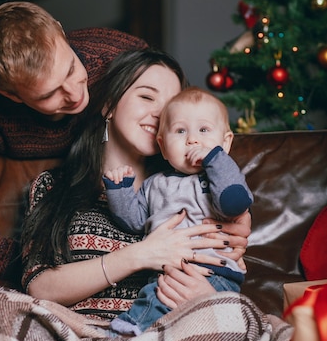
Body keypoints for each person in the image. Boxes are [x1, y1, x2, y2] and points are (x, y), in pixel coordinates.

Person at [0, 1, 148, 281]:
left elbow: (184, 123)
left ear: (60, 31)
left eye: (71, 68)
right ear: (11, 95)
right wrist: (34, 265)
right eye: (49, 95)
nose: (74, 95)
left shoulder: (120, 53)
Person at [21, 49, 251, 320]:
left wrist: (208, 301)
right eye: (146, 96)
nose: (159, 114)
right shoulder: (54, 186)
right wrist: (141, 254)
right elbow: (39, 286)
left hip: (175, 332)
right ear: (109, 103)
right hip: (82, 334)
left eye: (169, 105)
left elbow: (226, 254)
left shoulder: (193, 190)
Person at [103, 86, 253, 335]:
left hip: (214, 273)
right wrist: (119, 190)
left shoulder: (217, 177)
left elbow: (234, 203)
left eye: (204, 130)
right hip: (168, 270)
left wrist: (215, 159)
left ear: (225, 143)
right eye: (180, 131)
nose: (192, 140)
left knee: (160, 298)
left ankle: (132, 328)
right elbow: (134, 221)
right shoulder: (154, 184)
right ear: (162, 145)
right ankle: (145, 335)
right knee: (157, 293)